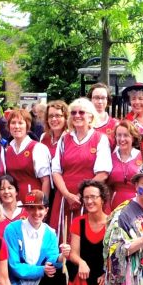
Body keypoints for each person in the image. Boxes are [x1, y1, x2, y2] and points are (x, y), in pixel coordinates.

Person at [3, 190, 71, 285]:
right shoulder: (12, 229)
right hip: (16, 284)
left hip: (37, 283)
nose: (36, 212)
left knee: (63, 270)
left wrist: (61, 257)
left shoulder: (50, 232)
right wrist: (42, 270)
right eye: (32, 208)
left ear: (46, 210)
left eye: (40, 208)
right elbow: (14, 266)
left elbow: (52, 260)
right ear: (26, 209)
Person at [49, 98, 112, 231]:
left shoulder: (100, 139)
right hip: (64, 198)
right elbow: (56, 171)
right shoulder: (65, 139)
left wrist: (80, 195)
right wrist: (67, 195)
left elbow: (103, 173)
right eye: (73, 113)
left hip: (89, 198)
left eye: (81, 112)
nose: (77, 116)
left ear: (91, 116)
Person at [63, 180, 112, 285]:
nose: (89, 201)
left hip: (103, 276)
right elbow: (73, 254)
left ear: (102, 199)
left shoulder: (112, 223)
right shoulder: (78, 222)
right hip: (84, 273)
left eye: (93, 197)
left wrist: (108, 274)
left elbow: (115, 256)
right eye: (86, 198)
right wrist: (81, 262)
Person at [4, 109, 52, 202]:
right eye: (13, 123)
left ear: (27, 125)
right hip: (13, 202)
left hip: (33, 201)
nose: (16, 126)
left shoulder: (38, 148)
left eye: (20, 123)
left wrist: (42, 204)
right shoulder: (7, 150)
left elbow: (46, 181)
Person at [108, 121, 143, 210]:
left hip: (138, 203)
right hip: (115, 203)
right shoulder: (110, 158)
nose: (122, 139)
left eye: (126, 135)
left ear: (133, 137)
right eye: (119, 135)